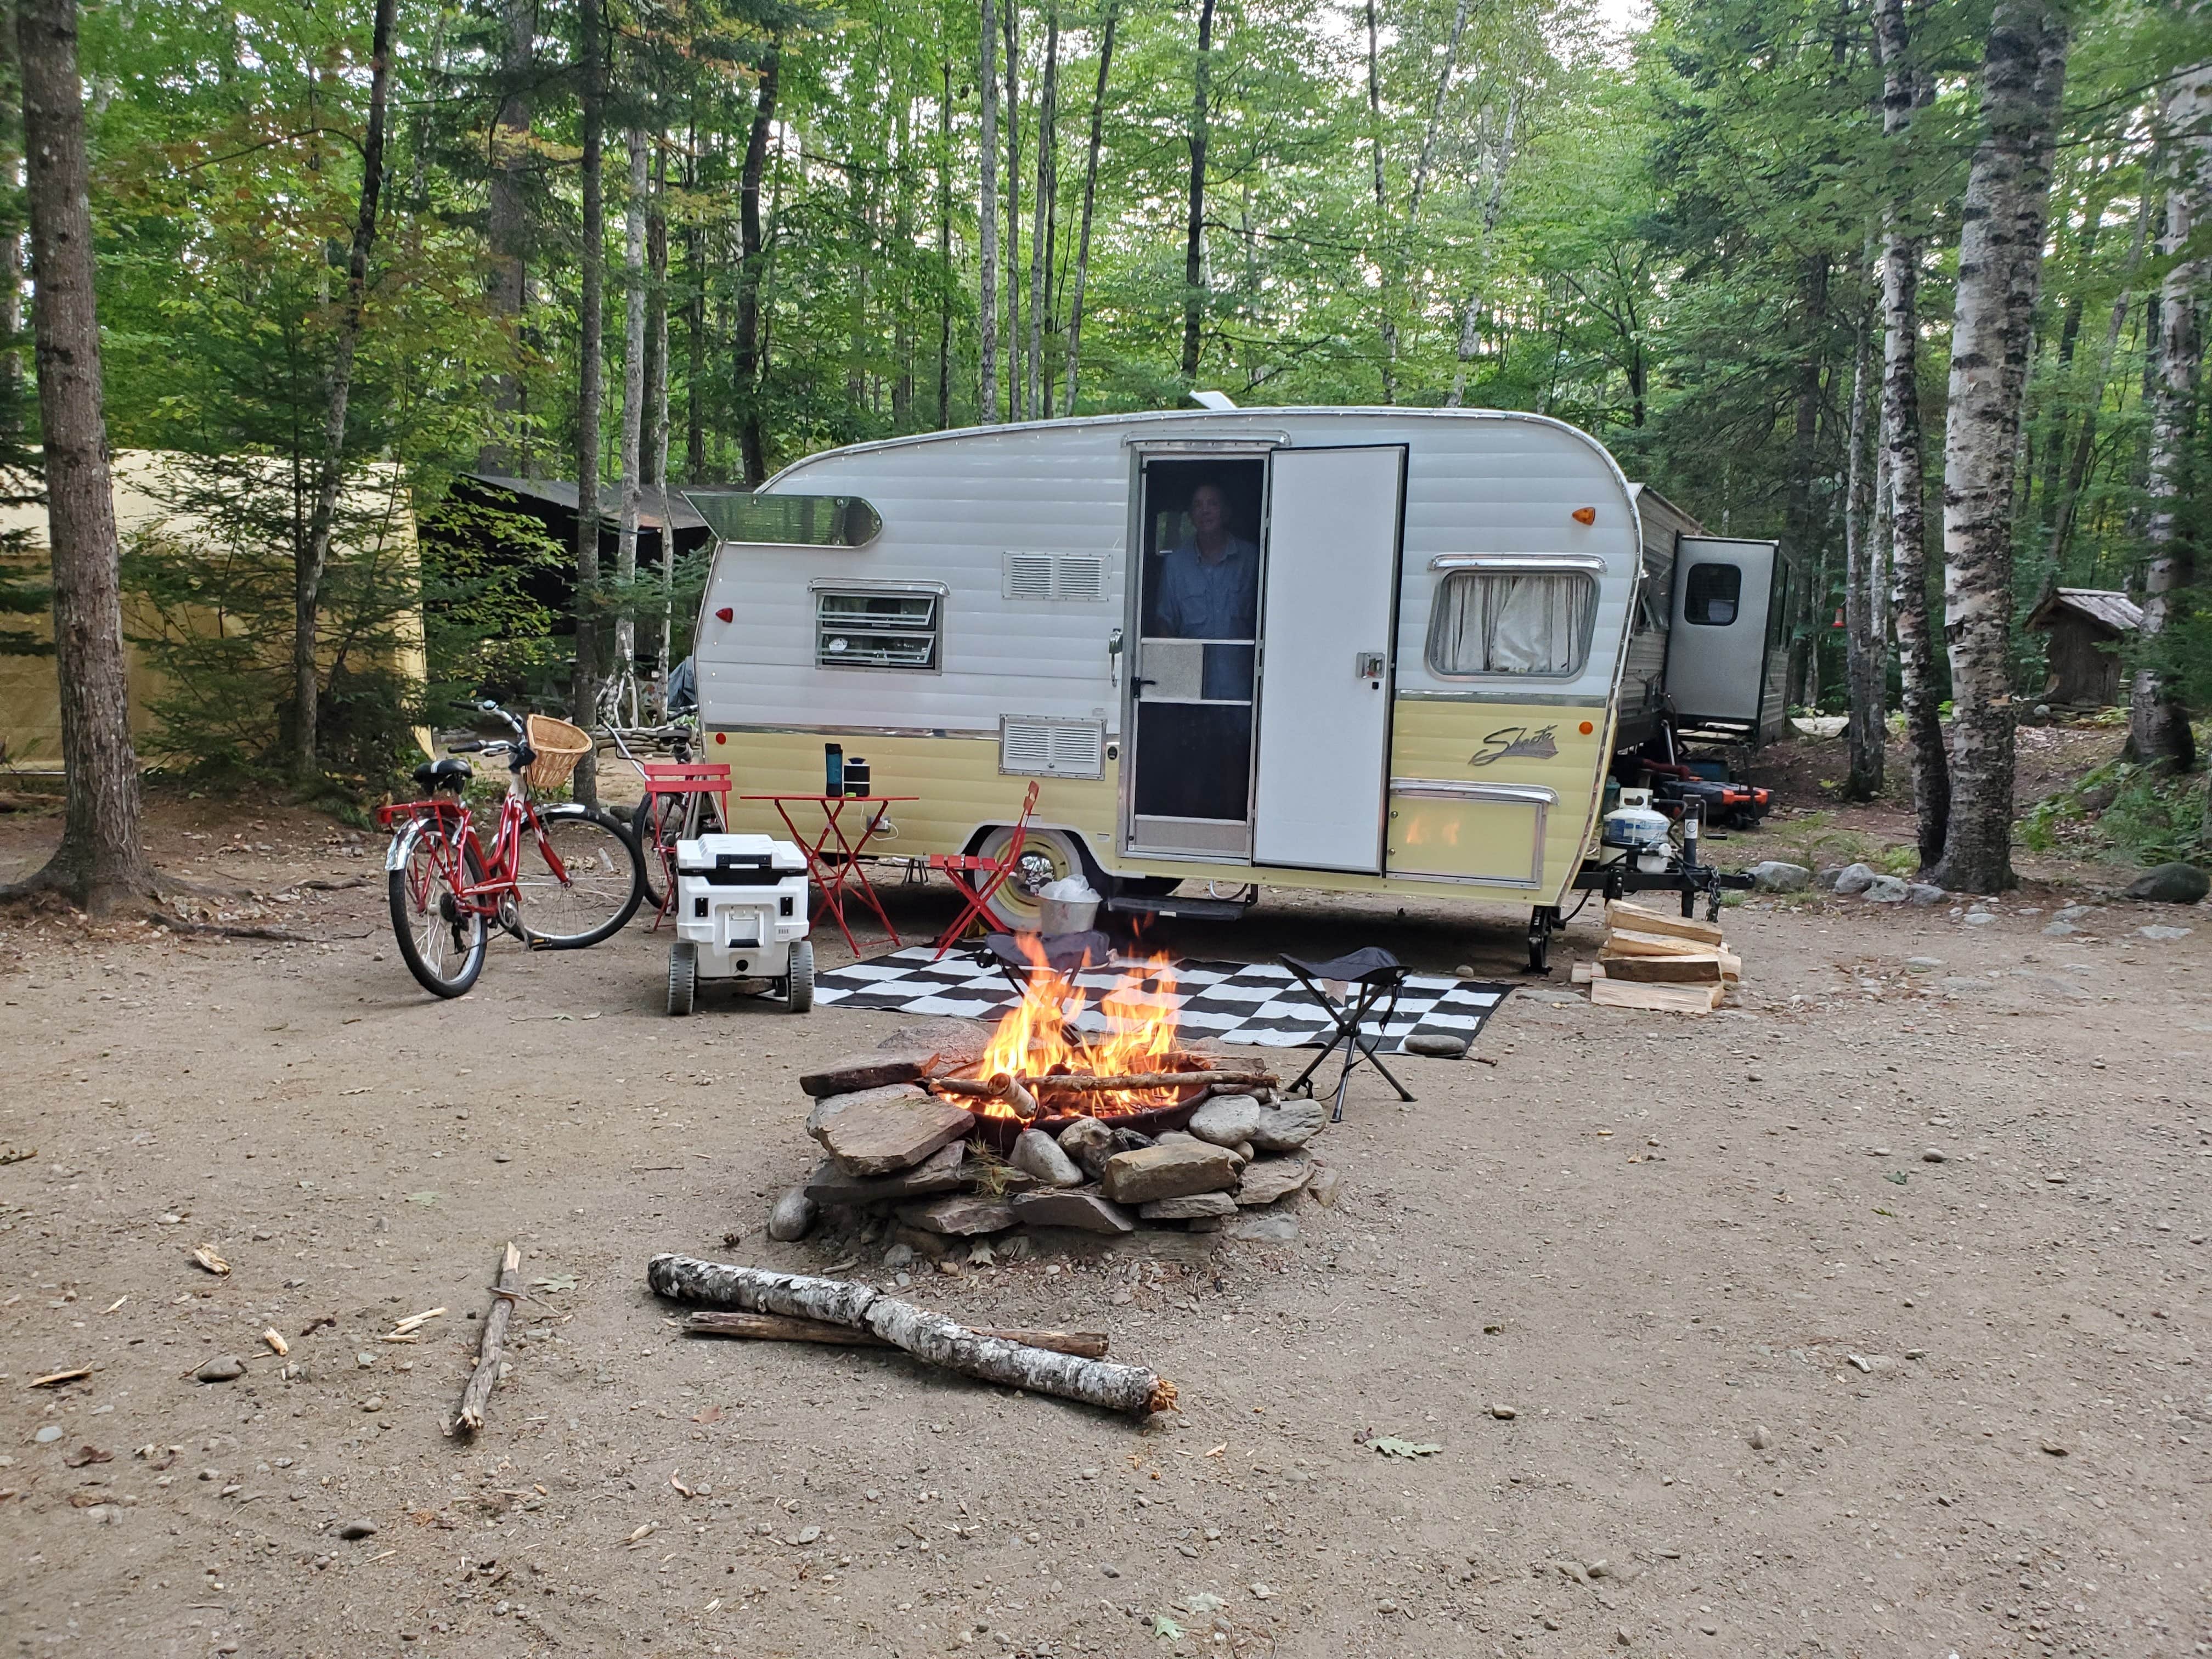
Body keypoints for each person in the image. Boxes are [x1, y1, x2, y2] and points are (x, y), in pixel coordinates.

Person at [1152, 480, 1260, 698]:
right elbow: (1165, 623)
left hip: (1244, 688)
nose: (1205, 511)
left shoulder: (1252, 559)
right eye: (1198, 505)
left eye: (1213, 504)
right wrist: (1174, 684)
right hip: (1193, 688)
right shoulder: (1175, 565)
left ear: (1226, 513)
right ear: (1190, 516)